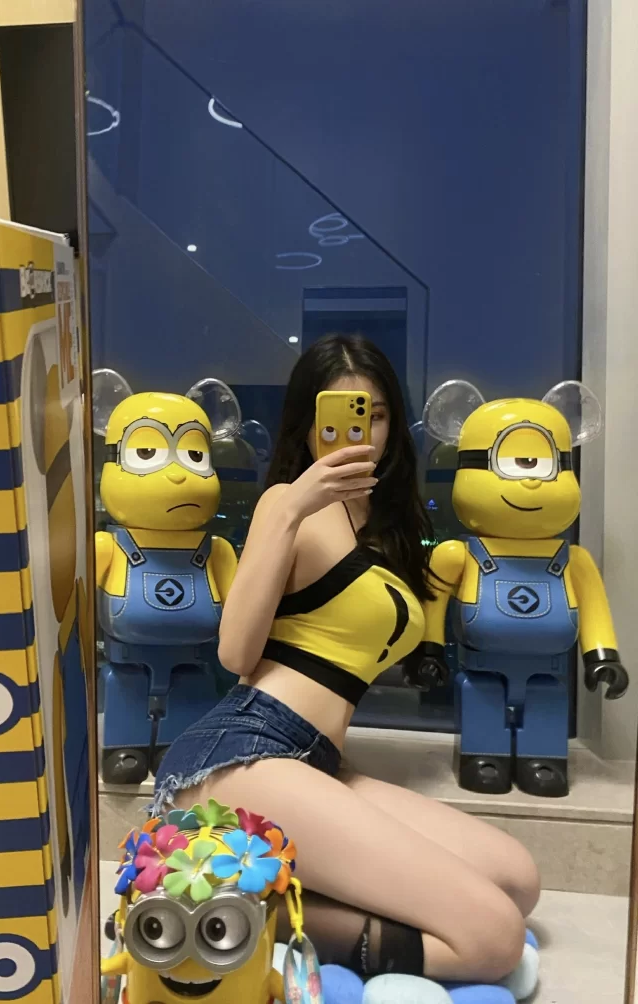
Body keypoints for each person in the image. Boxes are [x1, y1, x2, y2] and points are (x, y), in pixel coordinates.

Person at [152, 334, 540, 985]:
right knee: (494, 939)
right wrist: (293, 503)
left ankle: (263, 899)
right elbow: (236, 653)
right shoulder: (287, 506)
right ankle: (238, 914)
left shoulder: (381, 524)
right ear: (307, 425)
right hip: (244, 752)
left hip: (318, 760)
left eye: (377, 414)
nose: (362, 431)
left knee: (517, 880)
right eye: (338, 413)